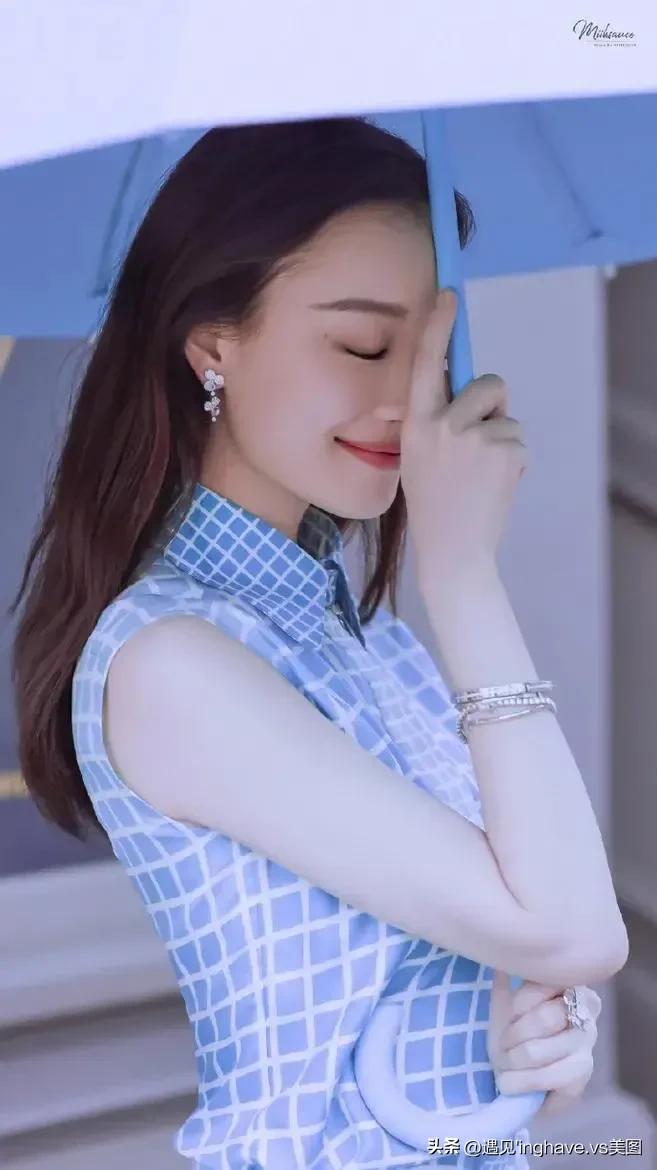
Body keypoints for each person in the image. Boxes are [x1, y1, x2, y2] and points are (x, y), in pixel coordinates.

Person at [9, 117, 627, 1170]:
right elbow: (581, 931)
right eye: (363, 346)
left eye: (428, 351)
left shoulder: (369, 638)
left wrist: (525, 1039)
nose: (403, 399)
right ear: (213, 344)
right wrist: (463, 573)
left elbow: (547, 932)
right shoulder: (172, 662)